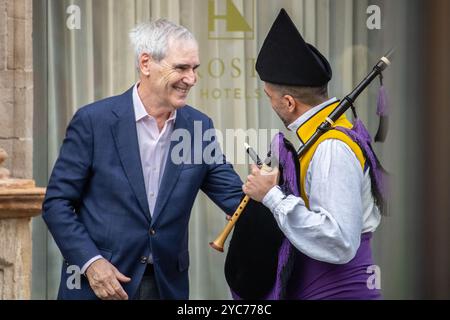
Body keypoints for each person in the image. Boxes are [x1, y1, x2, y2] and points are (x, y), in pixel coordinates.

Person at [42, 18, 243, 300]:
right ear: (146, 63)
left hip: (165, 287)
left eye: (194, 69)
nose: (192, 79)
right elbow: (57, 203)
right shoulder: (93, 121)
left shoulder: (199, 127)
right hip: (98, 285)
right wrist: (91, 263)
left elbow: (236, 198)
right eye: (181, 68)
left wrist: (273, 192)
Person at [240, 9, 383, 299]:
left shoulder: (332, 147)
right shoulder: (328, 137)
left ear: (289, 102)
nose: (271, 104)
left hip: (337, 291)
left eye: (269, 97)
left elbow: (339, 239)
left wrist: (271, 196)